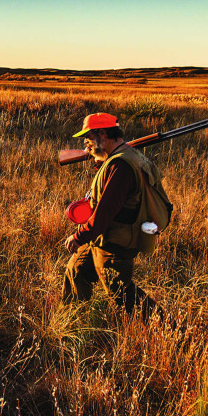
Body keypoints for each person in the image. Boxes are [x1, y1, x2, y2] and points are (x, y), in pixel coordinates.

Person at [62, 112, 163, 319]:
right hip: (102, 238)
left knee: (121, 294)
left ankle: (167, 326)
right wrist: (99, 160)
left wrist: (79, 236)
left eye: (88, 138)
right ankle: (73, 322)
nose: (86, 143)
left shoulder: (120, 166)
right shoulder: (121, 158)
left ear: (102, 134)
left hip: (115, 243)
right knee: (76, 272)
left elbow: (104, 213)